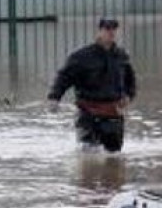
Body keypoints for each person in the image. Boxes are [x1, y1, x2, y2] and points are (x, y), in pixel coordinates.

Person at [47, 17, 136, 152]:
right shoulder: (82, 57)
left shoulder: (121, 56)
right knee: (89, 155)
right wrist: (54, 97)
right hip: (88, 115)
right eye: (107, 29)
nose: (111, 33)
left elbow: (130, 80)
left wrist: (129, 96)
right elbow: (64, 77)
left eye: (114, 29)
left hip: (113, 115)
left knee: (114, 157)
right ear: (99, 31)